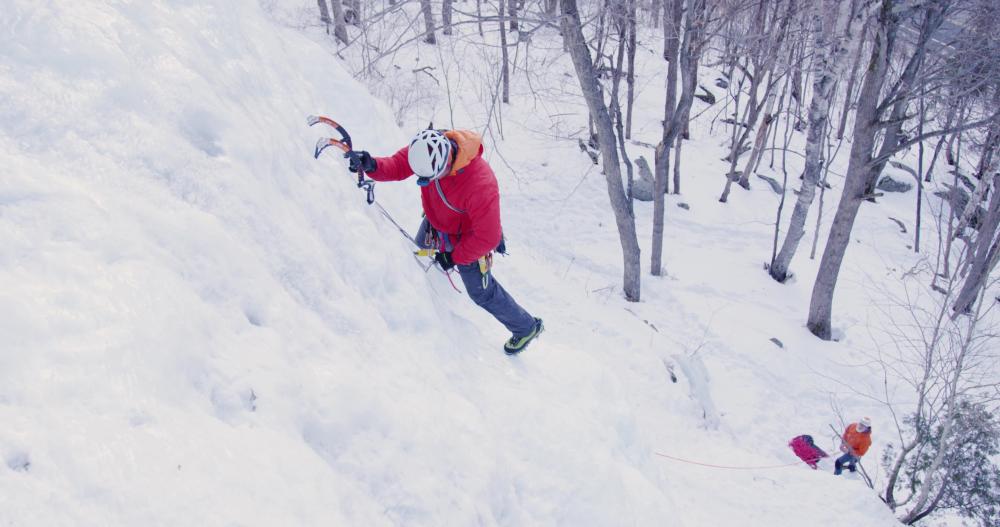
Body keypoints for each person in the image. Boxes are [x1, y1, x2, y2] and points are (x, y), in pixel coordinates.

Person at [346, 128, 543, 354]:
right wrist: (372, 165)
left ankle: (525, 327)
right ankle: (434, 304)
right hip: (437, 223)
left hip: (469, 239)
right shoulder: (427, 149)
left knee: (480, 292)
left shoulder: (480, 183)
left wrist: (454, 256)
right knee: (414, 263)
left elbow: (487, 236)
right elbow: (398, 165)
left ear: (447, 165)